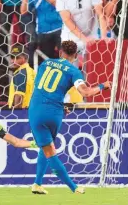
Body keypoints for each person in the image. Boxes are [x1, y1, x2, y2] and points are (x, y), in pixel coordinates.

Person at [29, 40, 111, 194]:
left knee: (47, 147)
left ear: (60, 52)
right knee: (48, 148)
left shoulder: (45, 64)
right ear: (75, 56)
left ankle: (37, 184)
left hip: (36, 110)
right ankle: (73, 187)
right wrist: (102, 86)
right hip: (54, 113)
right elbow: (86, 92)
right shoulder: (74, 71)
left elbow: (41, 88)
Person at [8, 44, 35, 108]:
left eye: (17, 58)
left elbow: (19, 96)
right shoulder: (31, 71)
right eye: (12, 57)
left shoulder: (20, 73)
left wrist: (16, 113)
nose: (13, 61)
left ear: (25, 58)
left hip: (22, 112)